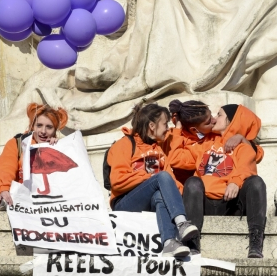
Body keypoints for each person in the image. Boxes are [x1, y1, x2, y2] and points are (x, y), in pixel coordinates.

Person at [168, 100, 266, 258]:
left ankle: (256, 241)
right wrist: (178, 128)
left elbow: (247, 166)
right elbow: (176, 158)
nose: (214, 118)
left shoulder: (242, 146)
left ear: (232, 122)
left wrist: (235, 181)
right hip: (204, 203)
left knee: (257, 182)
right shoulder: (205, 143)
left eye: (219, 115)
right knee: (192, 182)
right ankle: (192, 242)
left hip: (231, 203)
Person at [107, 103, 198, 258]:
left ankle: (169, 242)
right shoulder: (124, 144)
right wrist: (150, 178)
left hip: (150, 199)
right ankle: (182, 223)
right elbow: (117, 180)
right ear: (151, 126)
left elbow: (172, 180)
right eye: (165, 124)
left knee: (160, 195)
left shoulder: (159, 149)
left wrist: (175, 194)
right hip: (124, 202)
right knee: (161, 177)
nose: (167, 128)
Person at [0, 103, 68, 207]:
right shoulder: (17, 143)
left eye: (49, 127)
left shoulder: (60, 147)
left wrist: (56, 148)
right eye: (39, 125)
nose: (43, 131)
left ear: (55, 131)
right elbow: (6, 168)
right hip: (18, 203)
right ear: (32, 126)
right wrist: (4, 189)